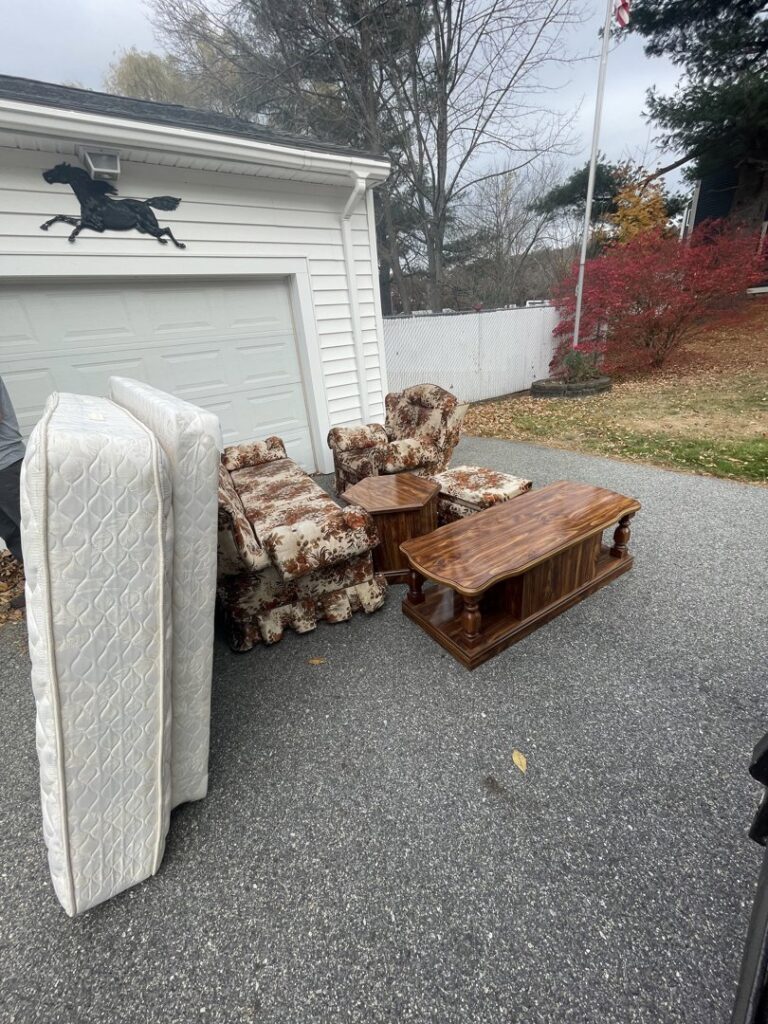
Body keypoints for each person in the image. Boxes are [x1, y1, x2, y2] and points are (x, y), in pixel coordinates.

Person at [0, 376, 26, 608]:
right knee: (11, 533)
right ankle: (39, 587)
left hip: (7, 465)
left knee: (32, 530)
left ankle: (66, 587)